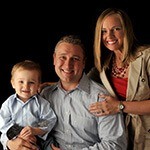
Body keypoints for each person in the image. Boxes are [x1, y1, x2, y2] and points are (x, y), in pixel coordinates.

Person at [6, 35, 127, 150]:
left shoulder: (102, 98)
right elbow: (19, 123)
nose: (68, 65)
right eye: (62, 57)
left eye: (75, 59)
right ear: (54, 59)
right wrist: (9, 143)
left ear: (84, 63)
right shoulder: (44, 95)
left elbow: (115, 145)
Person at [87, 8, 150, 150]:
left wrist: (119, 106)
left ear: (126, 30)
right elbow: (81, 84)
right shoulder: (104, 66)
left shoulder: (147, 57)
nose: (109, 35)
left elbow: (118, 105)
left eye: (116, 29)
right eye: (104, 31)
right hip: (125, 137)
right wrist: (53, 85)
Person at [0, 60, 57, 150]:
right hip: (17, 138)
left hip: (39, 138)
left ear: (38, 85)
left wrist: (35, 130)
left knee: (52, 145)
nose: (26, 86)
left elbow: (48, 119)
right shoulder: (8, 104)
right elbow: (4, 125)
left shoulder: (42, 103)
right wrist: (20, 135)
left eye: (31, 82)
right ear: (13, 83)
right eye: (21, 82)